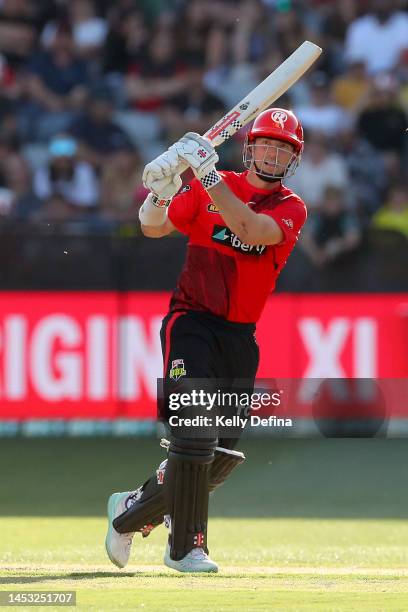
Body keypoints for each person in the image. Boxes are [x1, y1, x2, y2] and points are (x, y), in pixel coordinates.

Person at [105, 108, 307, 573]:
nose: (273, 154)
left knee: (218, 457)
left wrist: (205, 170)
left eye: (284, 148)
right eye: (267, 144)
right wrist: (160, 192)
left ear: (292, 159)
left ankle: (129, 512)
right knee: (194, 434)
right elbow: (152, 226)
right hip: (191, 322)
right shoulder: (206, 186)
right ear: (250, 147)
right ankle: (186, 548)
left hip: (239, 337)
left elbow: (248, 229)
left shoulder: (290, 207)